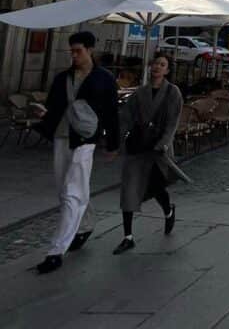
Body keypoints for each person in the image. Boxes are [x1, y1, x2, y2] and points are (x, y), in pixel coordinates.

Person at [32, 31, 120, 274]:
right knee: (66, 190)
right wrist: (43, 115)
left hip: (85, 140)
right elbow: (53, 107)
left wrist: (112, 143)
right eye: (71, 51)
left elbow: (112, 113)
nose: (74, 55)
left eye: (78, 51)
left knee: (72, 193)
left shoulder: (104, 79)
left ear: (90, 50)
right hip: (61, 137)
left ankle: (56, 250)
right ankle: (87, 223)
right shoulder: (62, 78)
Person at [113, 53, 188, 254]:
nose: (157, 67)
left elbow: (172, 122)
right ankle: (128, 237)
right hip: (138, 146)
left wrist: (163, 143)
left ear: (167, 70)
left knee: (156, 188)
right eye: (155, 63)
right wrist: (116, 141)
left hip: (158, 149)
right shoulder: (140, 93)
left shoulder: (173, 93)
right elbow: (126, 118)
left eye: (162, 65)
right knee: (129, 189)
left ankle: (168, 209)